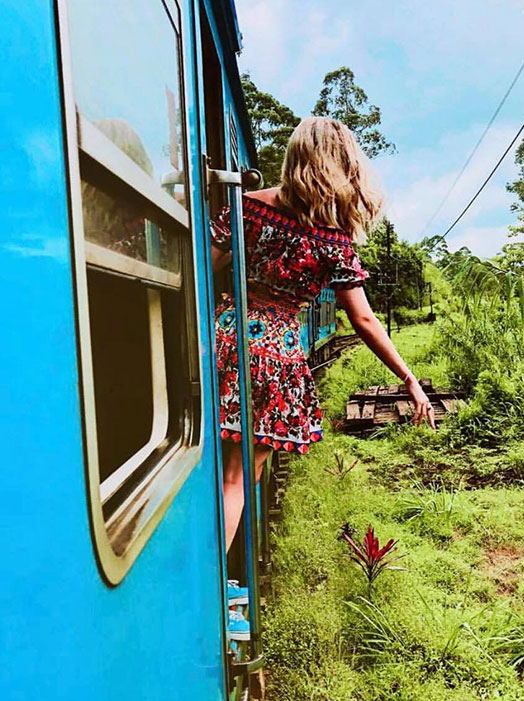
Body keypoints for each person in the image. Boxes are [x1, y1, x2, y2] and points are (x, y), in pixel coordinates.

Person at [210, 116, 435, 639]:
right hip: (275, 355)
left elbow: (201, 264)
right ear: (342, 166)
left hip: (221, 337)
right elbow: (363, 319)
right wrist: (409, 378)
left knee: (213, 469)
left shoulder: (245, 206)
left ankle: (215, 580)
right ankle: (218, 588)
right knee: (238, 478)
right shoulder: (331, 239)